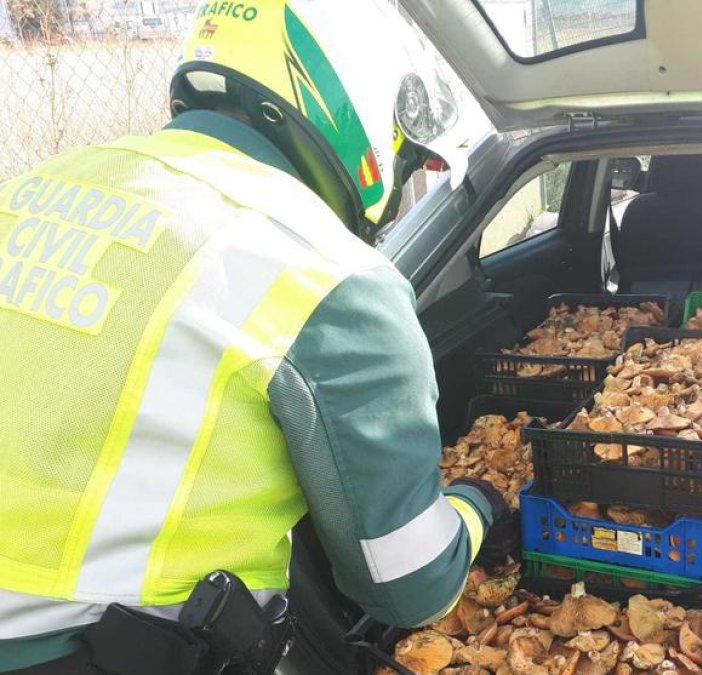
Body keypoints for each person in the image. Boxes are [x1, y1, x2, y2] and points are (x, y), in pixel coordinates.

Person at [0, 1, 508, 672]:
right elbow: (408, 584)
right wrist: (482, 503)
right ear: (357, 106)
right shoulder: (328, 272)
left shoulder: (37, 187)